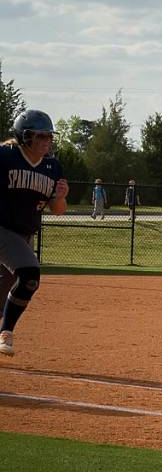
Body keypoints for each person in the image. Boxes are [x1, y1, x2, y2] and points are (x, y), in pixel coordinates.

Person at [0, 109, 69, 356]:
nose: (45, 142)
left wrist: (60, 197)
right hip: (2, 230)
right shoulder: (5, 156)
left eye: (48, 137)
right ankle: (7, 332)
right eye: (39, 136)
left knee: (7, 295)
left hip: (24, 236)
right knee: (30, 275)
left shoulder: (52, 166)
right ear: (23, 136)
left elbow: (58, 210)